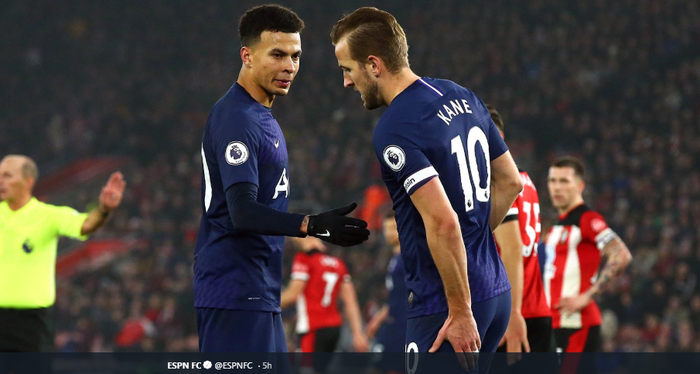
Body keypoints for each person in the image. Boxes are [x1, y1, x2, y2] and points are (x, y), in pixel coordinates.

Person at [331, 7, 523, 373]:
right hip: (495, 291)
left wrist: (460, 309)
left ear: (374, 65)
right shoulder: (461, 94)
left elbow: (442, 221)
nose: (346, 82)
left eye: (347, 69)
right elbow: (510, 181)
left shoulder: (395, 127)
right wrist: (472, 243)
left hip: (445, 307)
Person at [195, 4, 370, 354]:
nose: (289, 66)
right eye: (277, 54)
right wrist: (312, 224)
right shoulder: (237, 119)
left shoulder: (262, 116)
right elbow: (242, 211)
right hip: (234, 290)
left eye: (295, 56)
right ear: (247, 55)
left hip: (258, 288)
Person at [0, 154, 125, 352]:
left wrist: (104, 210)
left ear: (28, 182)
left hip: (33, 322)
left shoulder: (49, 215)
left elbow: (86, 225)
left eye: (7, 176)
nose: (1, 181)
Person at [544, 156, 632, 353]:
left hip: (576, 325)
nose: (556, 187)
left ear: (579, 186)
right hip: (554, 324)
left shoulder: (587, 219)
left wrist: (587, 296)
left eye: (564, 181)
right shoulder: (557, 224)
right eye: (553, 181)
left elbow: (622, 254)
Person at [489, 106, 552, 360]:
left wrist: (513, 313)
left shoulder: (498, 182)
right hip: (536, 309)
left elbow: (512, 248)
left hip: (512, 316)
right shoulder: (525, 180)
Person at [280, 236, 369, 373]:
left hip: (313, 327)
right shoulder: (338, 264)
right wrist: (358, 333)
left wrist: (268, 304)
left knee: (307, 370)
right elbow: (350, 301)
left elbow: (294, 293)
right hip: (334, 328)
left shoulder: (304, 258)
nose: (295, 242)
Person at [366, 211, 407, 374]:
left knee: (376, 368)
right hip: (393, 323)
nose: (388, 233)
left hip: (403, 326)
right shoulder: (395, 258)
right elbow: (396, 296)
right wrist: (378, 319)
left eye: (393, 228)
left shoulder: (408, 258)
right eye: (385, 229)